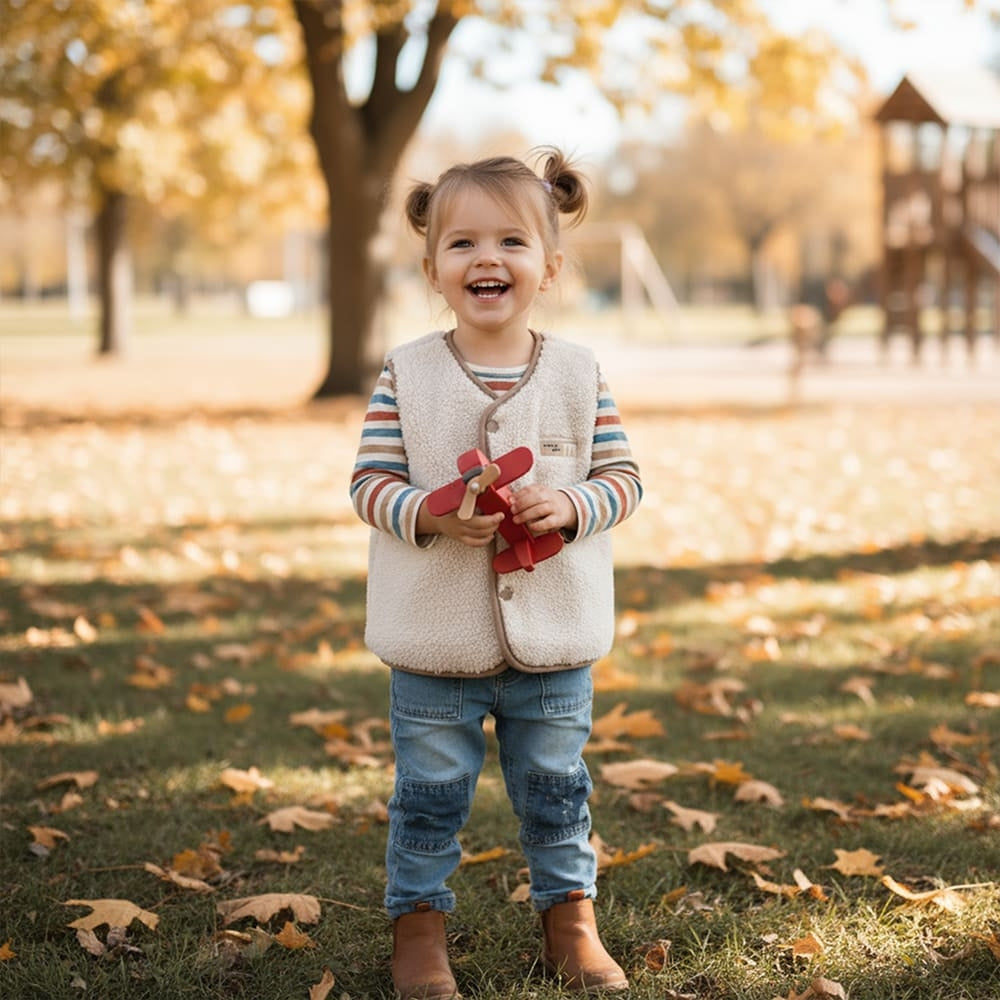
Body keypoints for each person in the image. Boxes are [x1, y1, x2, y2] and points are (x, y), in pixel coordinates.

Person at [349, 148, 643, 998]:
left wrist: (575, 504)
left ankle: (571, 923)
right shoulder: (407, 372)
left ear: (548, 267)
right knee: (431, 794)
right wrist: (433, 516)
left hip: (554, 639)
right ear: (435, 268)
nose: (488, 259)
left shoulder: (581, 373)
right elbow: (369, 485)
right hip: (433, 641)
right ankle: (418, 930)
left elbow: (624, 480)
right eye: (463, 244)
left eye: (512, 242)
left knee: (557, 791)